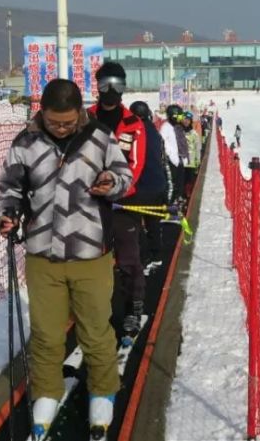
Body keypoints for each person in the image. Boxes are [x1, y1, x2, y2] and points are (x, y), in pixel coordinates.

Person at [0, 79, 132, 440]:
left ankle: (103, 390)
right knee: (45, 334)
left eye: (68, 123)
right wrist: (8, 215)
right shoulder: (25, 142)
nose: (61, 128)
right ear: (42, 112)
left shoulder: (101, 137)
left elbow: (124, 177)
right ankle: (46, 392)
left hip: (92, 253)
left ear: (79, 114)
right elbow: (10, 188)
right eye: (55, 122)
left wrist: (110, 183)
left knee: (95, 330)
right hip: (43, 255)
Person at [88, 62, 148, 342]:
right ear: (97, 86)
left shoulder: (133, 123)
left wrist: (114, 186)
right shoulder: (85, 118)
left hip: (124, 201)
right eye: (104, 85)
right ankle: (94, 310)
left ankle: (133, 308)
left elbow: (136, 164)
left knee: (128, 258)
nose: (110, 91)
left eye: (117, 85)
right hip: (90, 201)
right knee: (93, 256)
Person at [128, 100, 170, 270]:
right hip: (158, 184)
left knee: (136, 225)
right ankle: (157, 255)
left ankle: (144, 259)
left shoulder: (132, 131)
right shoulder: (155, 132)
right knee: (154, 223)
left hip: (140, 186)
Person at [160, 104, 186, 205]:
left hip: (177, 159)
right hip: (169, 161)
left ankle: (176, 200)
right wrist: (170, 155)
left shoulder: (176, 127)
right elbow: (163, 143)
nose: (180, 119)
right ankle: (168, 205)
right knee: (171, 184)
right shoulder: (165, 127)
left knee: (179, 182)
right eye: (179, 116)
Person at [182, 111, 202, 196]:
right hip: (180, 161)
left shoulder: (194, 133)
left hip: (191, 161)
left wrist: (198, 159)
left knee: (189, 179)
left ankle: (188, 193)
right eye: (184, 119)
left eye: (188, 120)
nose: (186, 121)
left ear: (190, 121)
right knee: (181, 179)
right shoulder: (179, 132)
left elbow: (198, 147)